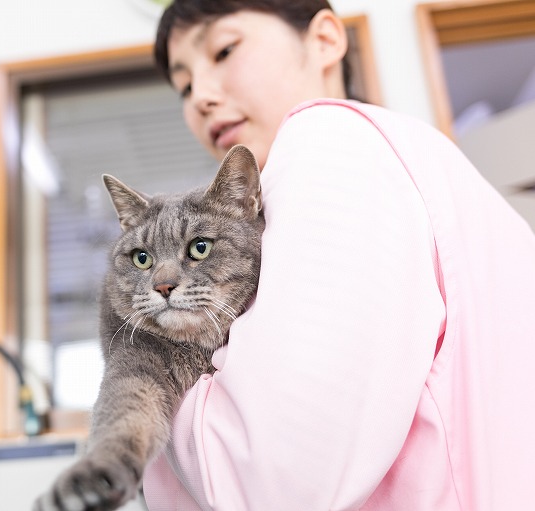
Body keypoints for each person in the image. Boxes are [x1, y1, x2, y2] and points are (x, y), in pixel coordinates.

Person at [141, 1, 535, 510]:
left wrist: (144, 388)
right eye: (185, 87)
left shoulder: (329, 141)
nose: (202, 99)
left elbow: (272, 480)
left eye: (223, 50)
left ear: (325, 40)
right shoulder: (411, 157)